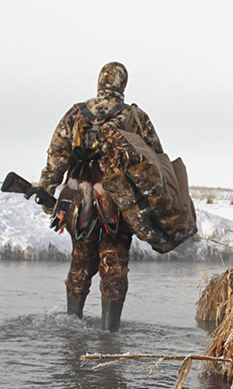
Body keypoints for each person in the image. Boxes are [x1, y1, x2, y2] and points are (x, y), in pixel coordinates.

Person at [36, 62, 163, 332]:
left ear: (100, 82)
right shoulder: (136, 118)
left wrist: (48, 187)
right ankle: (109, 334)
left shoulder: (76, 113)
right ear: (123, 85)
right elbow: (155, 162)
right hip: (117, 202)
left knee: (81, 258)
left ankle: (71, 326)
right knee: (114, 263)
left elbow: (58, 153)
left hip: (79, 201)